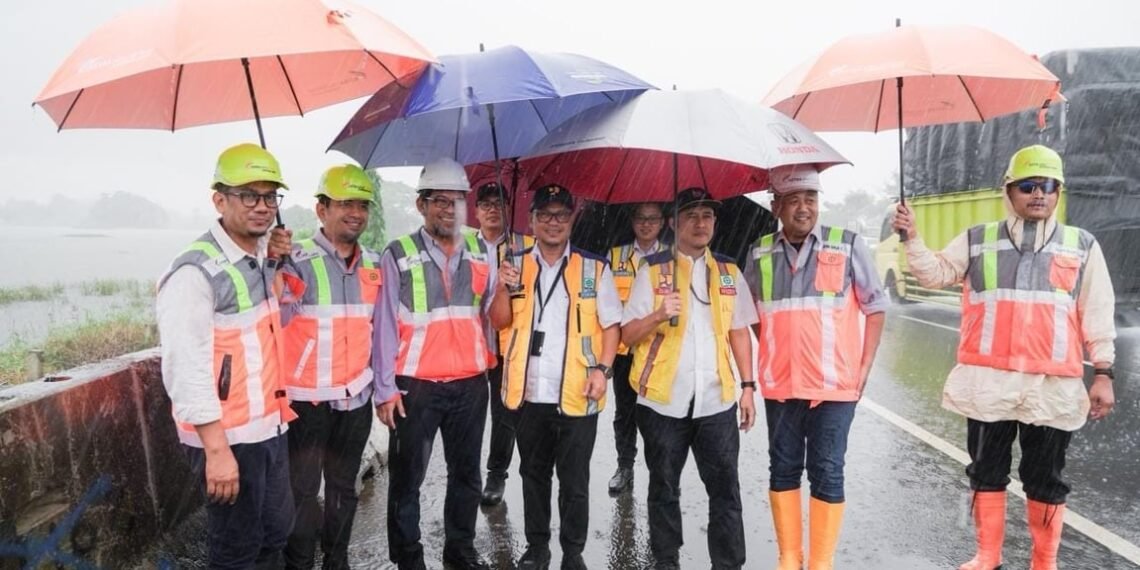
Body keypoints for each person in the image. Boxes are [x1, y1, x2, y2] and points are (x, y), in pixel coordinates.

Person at [893, 145, 1116, 570]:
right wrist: (912, 238)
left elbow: (1098, 313)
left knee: (1046, 480)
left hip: (1051, 387)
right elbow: (935, 274)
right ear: (1008, 191)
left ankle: (1044, 562)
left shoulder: (1082, 245)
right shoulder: (978, 240)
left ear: (1059, 191)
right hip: (988, 384)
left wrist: (1103, 372)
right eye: (1028, 186)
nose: (1039, 194)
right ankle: (987, 556)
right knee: (985, 472)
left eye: (1048, 185)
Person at [156, 143, 297, 569]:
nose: (262, 206)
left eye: (270, 196)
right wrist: (216, 450)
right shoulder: (193, 273)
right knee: (237, 550)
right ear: (219, 200)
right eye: (248, 195)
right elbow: (184, 368)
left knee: (275, 533)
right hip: (229, 437)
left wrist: (276, 259)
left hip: (269, 425)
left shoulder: (258, 256)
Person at [744, 164, 888, 570]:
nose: (803, 208)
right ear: (776, 206)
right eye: (793, 200)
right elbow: (752, 312)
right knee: (783, 469)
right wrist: (775, 346)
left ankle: (821, 562)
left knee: (827, 470)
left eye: (810, 198)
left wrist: (864, 366)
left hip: (834, 386)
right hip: (781, 384)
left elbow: (876, 306)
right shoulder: (759, 252)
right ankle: (789, 557)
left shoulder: (847, 245)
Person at [621, 187, 758, 570]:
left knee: (726, 490)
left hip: (717, 401)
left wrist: (748, 388)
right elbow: (627, 335)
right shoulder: (652, 271)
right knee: (664, 487)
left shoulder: (728, 272)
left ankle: (728, 564)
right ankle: (666, 560)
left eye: (707, 216)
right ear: (673, 222)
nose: (701, 224)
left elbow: (739, 331)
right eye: (692, 215)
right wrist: (657, 315)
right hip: (662, 402)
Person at [488, 184, 622, 570]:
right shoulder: (513, 265)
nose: (553, 222)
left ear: (571, 220)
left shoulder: (594, 268)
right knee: (533, 475)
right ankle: (537, 547)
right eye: (545, 215)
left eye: (561, 215)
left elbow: (611, 326)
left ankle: (573, 551)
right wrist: (502, 287)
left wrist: (603, 370)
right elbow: (499, 321)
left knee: (575, 481)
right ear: (531, 221)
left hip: (579, 393)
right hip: (529, 393)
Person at [372, 157, 495, 570]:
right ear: (421, 204)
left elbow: (494, 315)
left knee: (467, 475)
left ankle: (460, 551)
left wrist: (507, 284)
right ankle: (409, 559)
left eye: (457, 200)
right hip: (416, 386)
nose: (449, 208)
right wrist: (385, 389)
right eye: (439, 200)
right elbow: (384, 326)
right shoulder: (398, 254)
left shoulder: (483, 250)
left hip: (471, 384)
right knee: (407, 480)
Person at [280, 164, 380, 570]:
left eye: (362, 205)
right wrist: (272, 266)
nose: (356, 213)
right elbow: (274, 319)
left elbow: (381, 330)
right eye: (345, 204)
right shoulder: (294, 259)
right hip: (307, 401)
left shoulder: (374, 264)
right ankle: (299, 564)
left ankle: (337, 561)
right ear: (321, 209)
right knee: (302, 491)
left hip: (356, 398)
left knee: (344, 488)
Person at [472, 181, 534, 506]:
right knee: (469, 416)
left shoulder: (526, 247)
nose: (492, 210)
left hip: (508, 343)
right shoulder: (463, 247)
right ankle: (465, 475)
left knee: (505, 412)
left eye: (499, 203)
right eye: (486, 204)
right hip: (470, 344)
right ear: (476, 211)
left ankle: (497, 473)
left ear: (509, 209)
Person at [606, 201, 665, 495]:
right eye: (641, 218)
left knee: (657, 413)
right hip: (623, 350)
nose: (646, 224)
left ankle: (661, 469)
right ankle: (625, 466)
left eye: (653, 219)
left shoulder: (673, 258)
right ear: (632, 222)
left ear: (663, 222)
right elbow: (604, 307)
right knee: (625, 412)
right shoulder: (614, 256)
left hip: (658, 350)